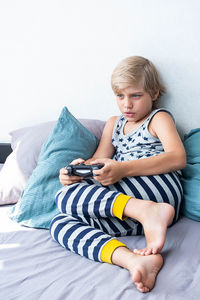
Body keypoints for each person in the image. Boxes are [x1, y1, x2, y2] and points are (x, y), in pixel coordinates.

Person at [50, 56, 186, 293]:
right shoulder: (113, 123)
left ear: (153, 94)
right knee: (59, 221)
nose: (127, 105)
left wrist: (123, 168)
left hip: (159, 189)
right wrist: (76, 172)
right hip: (129, 206)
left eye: (135, 96)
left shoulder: (158, 118)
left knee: (64, 198)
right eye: (120, 96)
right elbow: (97, 162)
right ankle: (134, 260)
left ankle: (148, 210)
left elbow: (177, 158)